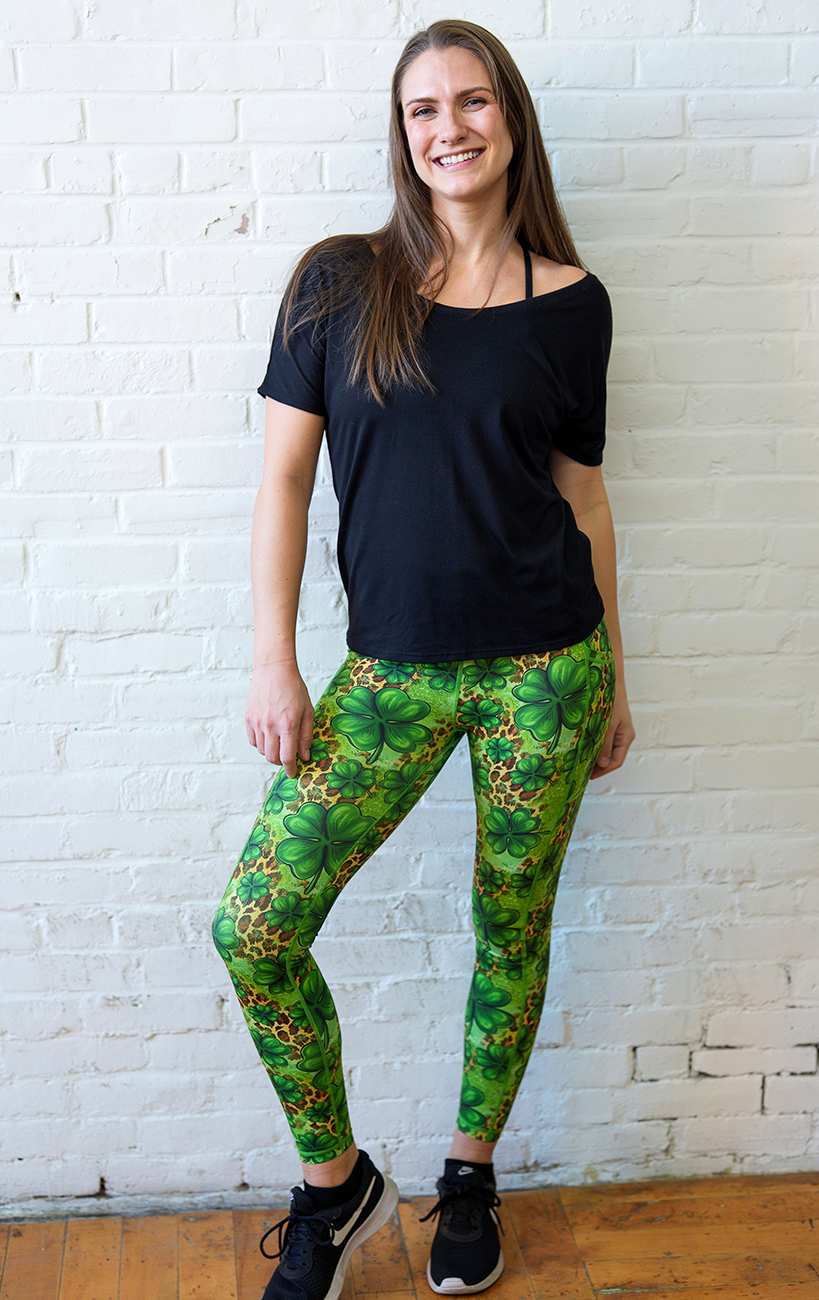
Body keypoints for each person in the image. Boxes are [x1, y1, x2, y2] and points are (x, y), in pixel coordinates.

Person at [212, 19, 635, 1300]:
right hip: (389, 675)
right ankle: (335, 1185)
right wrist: (274, 661)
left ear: (510, 119)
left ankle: (469, 1174)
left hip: (544, 671)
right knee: (253, 928)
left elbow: (585, 499)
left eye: (472, 101)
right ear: (402, 136)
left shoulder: (572, 303)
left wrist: (618, 677)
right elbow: (285, 484)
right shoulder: (339, 283)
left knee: (511, 926)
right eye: (422, 109)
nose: (449, 127)